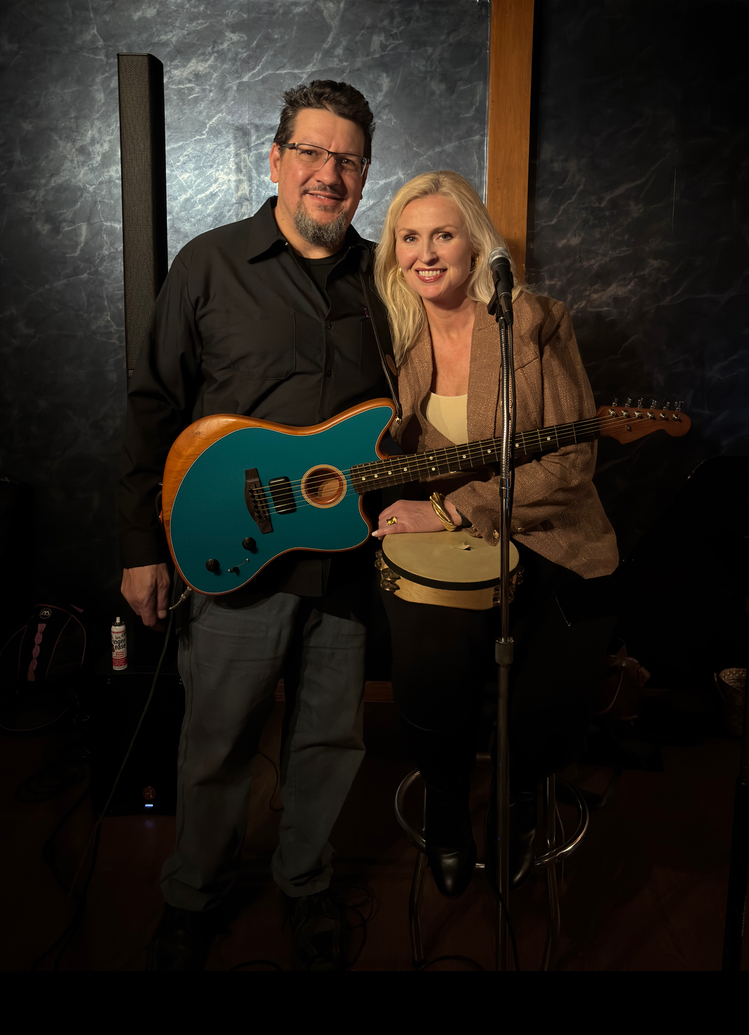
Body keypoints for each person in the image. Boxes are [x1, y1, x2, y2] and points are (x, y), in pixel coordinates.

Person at [118, 81, 397, 970]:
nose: (328, 173)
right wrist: (141, 547)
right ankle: (194, 895)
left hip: (344, 554)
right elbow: (153, 407)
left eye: (348, 159)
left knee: (331, 737)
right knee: (217, 740)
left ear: (365, 175)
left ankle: (306, 885)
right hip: (230, 555)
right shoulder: (208, 264)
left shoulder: (387, 279)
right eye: (311, 152)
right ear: (275, 160)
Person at [372, 171, 619, 898]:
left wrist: (455, 508)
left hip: (550, 534)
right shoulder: (396, 336)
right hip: (454, 547)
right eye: (409, 238)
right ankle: (448, 804)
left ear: (475, 245)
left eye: (442, 235)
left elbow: (572, 462)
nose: (425, 253)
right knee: (428, 669)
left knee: (544, 701)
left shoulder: (533, 320)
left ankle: (520, 801)